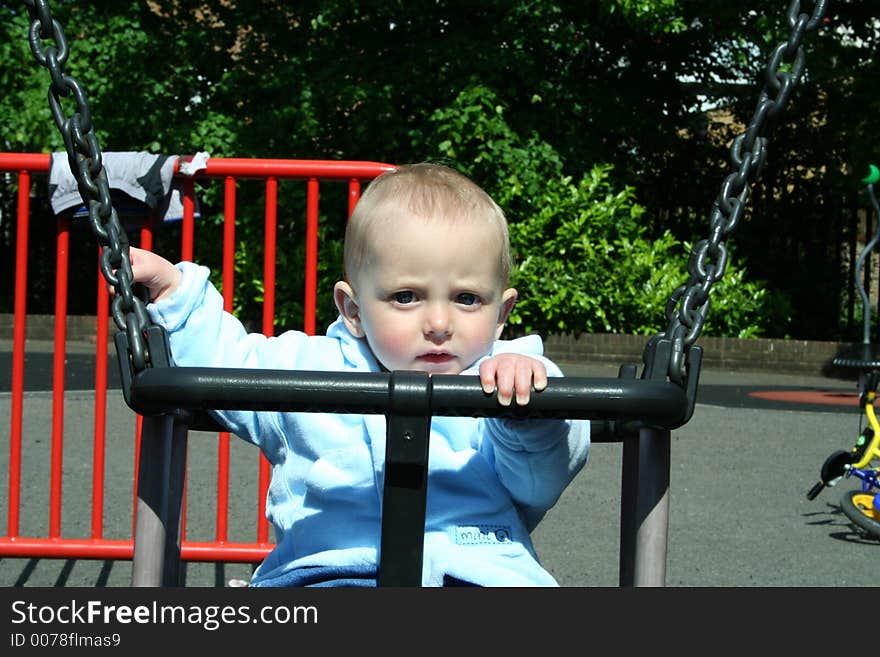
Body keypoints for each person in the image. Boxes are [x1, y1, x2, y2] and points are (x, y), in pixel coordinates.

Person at [128, 162, 590, 587]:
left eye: (467, 298)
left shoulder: (501, 378)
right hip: (330, 570)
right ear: (352, 309)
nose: (439, 323)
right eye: (406, 296)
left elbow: (538, 483)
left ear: (501, 311)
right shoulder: (311, 368)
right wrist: (176, 295)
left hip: (477, 571)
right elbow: (228, 362)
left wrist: (530, 411)